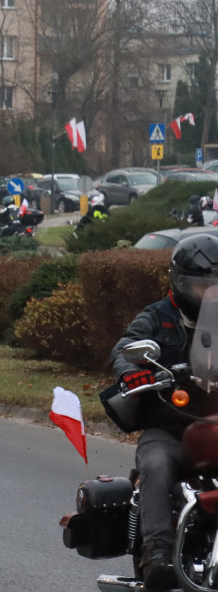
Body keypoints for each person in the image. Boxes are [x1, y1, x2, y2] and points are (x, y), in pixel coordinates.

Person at [109, 233, 218, 590]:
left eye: (214, 285)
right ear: (179, 281)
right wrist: (133, 371)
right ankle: (156, 550)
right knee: (155, 465)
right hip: (170, 426)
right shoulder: (157, 316)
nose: (206, 293)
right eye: (199, 285)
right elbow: (125, 347)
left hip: (214, 424)